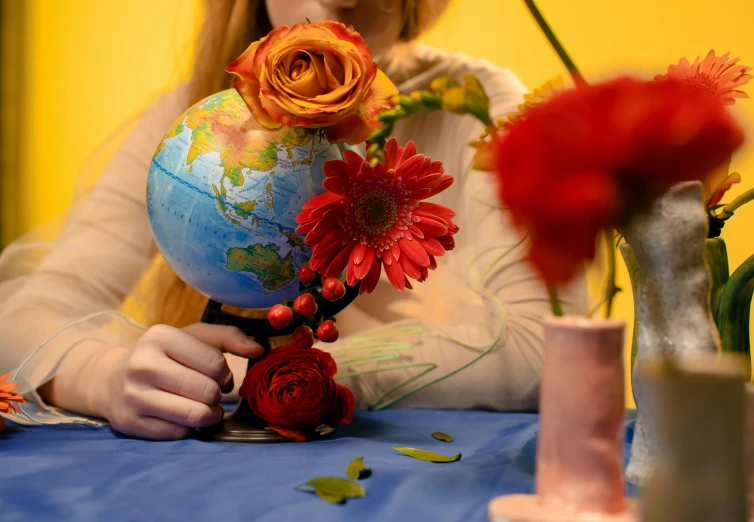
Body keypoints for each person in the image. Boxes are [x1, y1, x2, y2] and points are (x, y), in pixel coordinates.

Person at [0, 0, 587, 440]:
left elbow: (548, 350)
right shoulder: (197, 119)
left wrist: (285, 376)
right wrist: (102, 374)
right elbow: (22, 318)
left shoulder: (473, 103)